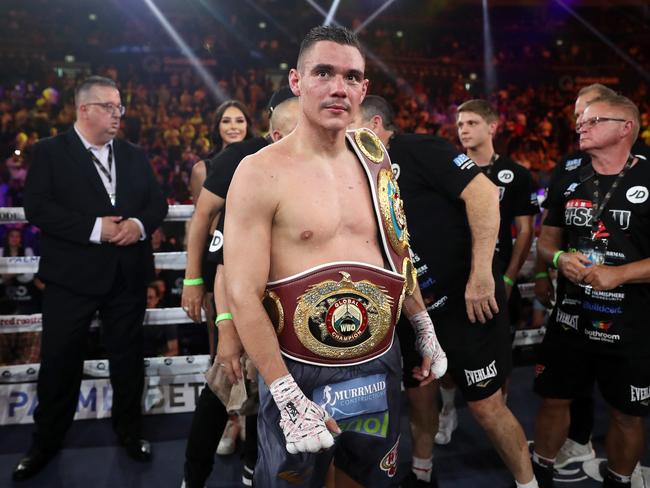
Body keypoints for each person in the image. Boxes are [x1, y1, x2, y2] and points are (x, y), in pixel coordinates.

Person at [224, 26, 447, 488]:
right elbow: (242, 293)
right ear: (297, 80)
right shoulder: (258, 172)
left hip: (378, 360)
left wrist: (423, 326)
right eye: (323, 72)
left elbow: (396, 250)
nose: (338, 87)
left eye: (351, 76)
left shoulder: (374, 155)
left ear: (364, 88)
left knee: (364, 478)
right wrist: (284, 393)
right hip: (295, 365)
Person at [353, 95, 538, 488]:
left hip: (465, 303)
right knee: (420, 400)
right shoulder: (353, 170)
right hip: (410, 310)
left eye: (349, 123)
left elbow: (485, 194)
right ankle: (422, 475)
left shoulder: (420, 148)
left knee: (488, 407)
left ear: (372, 123)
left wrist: (483, 275)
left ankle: (528, 483)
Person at [13, 76, 168, 482]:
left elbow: (157, 203)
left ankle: (130, 433)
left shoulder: (134, 154)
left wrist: (136, 223)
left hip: (126, 277)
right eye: (110, 107)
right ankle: (45, 443)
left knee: (128, 362)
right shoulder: (49, 152)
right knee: (59, 363)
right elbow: (37, 207)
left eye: (120, 107)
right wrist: (95, 228)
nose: (119, 114)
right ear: (85, 110)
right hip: (71, 279)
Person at [182, 91, 299, 488]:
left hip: (288, 311)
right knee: (224, 384)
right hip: (242, 301)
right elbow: (221, 252)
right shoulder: (244, 164)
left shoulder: (316, 167)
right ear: (277, 128)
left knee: (266, 393)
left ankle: (254, 468)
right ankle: (193, 478)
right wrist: (225, 323)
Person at [532, 94, 650, 488]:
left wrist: (621, 274)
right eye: (581, 120)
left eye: (595, 120)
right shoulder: (568, 176)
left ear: (625, 128)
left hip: (631, 324)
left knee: (626, 414)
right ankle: (539, 475)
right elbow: (546, 242)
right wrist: (559, 259)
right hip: (571, 318)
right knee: (554, 400)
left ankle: (619, 480)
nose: (582, 125)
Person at [434, 99, 539, 446]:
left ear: (492, 127)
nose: (463, 128)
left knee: (499, 352)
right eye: (460, 123)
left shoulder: (516, 174)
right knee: (445, 351)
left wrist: (507, 279)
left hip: (496, 277)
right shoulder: (445, 168)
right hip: (454, 277)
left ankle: (500, 411)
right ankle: (447, 408)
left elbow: (524, 232)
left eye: (472, 122)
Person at [185, 99, 253, 453]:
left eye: (239, 120)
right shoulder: (205, 168)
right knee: (222, 347)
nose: (233, 126)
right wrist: (193, 277)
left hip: (255, 264)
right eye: (226, 120)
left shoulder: (259, 159)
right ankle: (230, 422)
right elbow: (201, 222)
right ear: (217, 126)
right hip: (219, 266)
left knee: (254, 347)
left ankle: (252, 423)